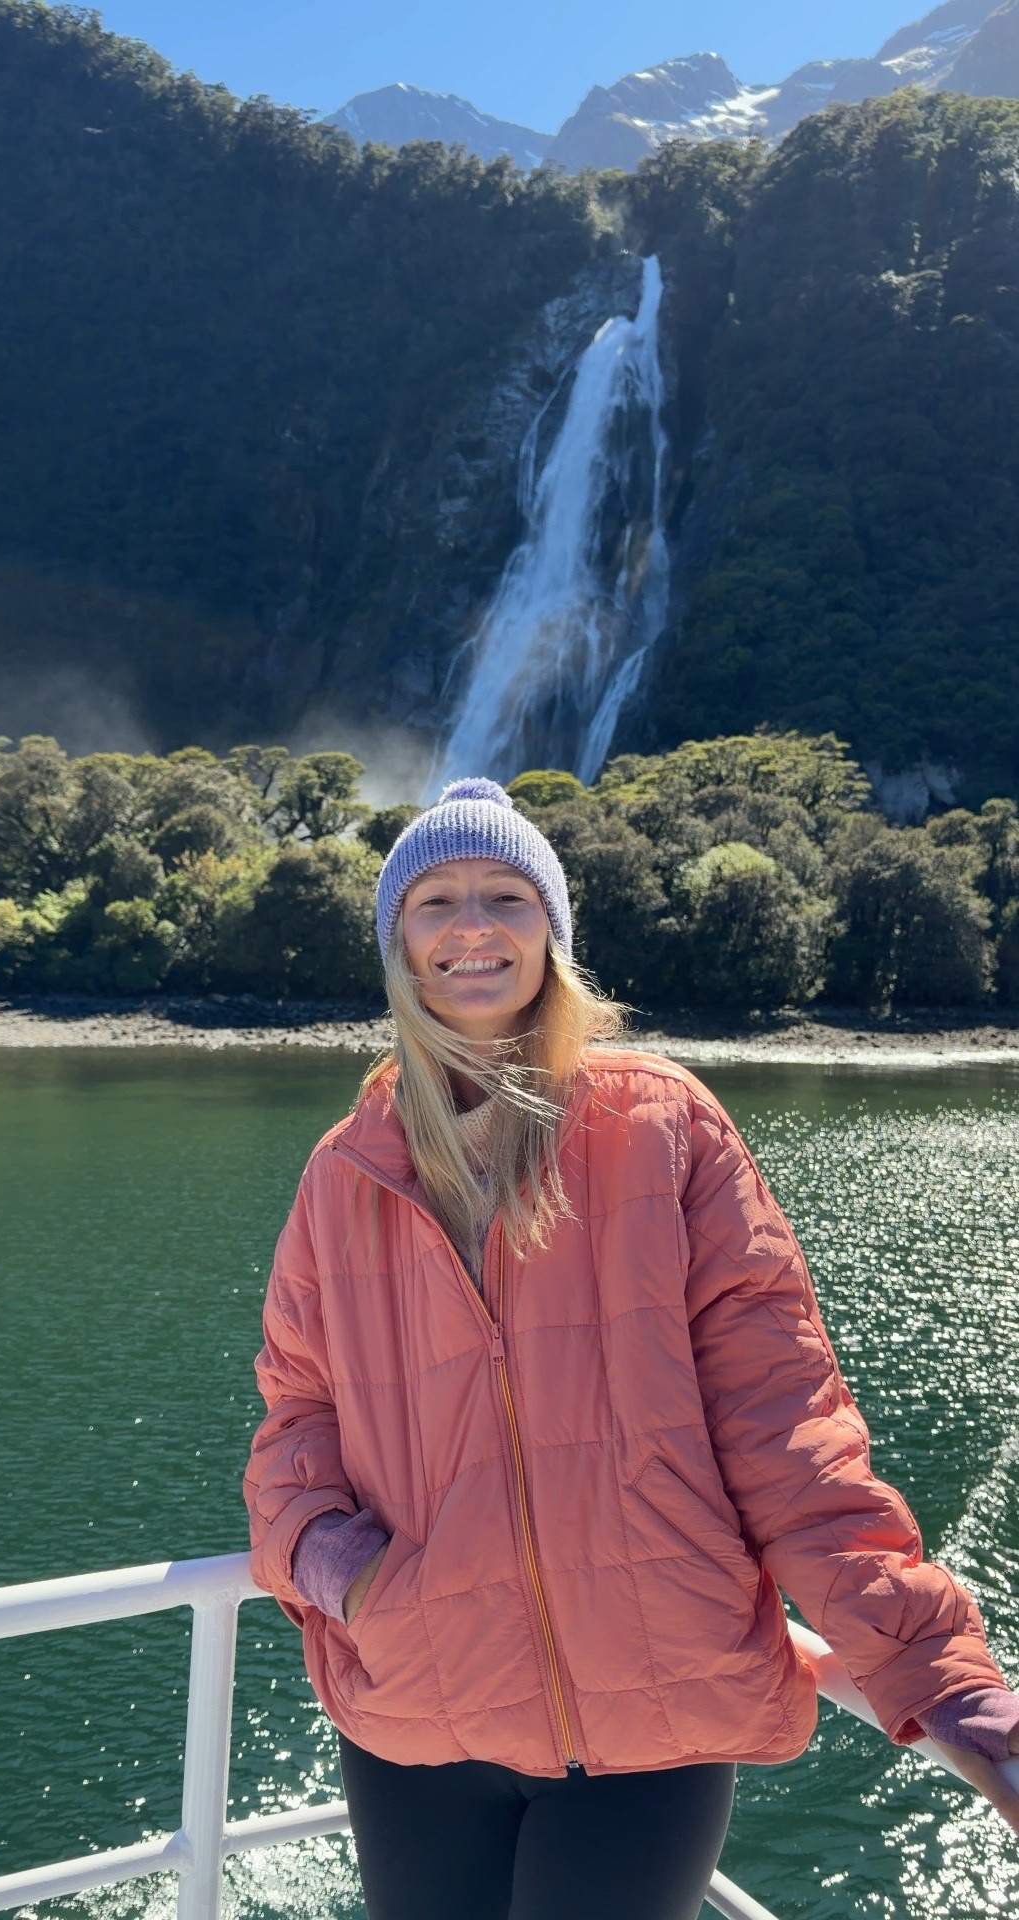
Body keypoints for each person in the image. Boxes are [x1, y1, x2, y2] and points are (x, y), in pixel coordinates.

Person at [244, 776, 1019, 1920]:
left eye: (506, 896)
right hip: (418, 1714)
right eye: (436, 901)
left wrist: (947, 1684)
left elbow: (789, 1432)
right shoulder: (343, 1172)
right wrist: (344, 1574)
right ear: (396, 942)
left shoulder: (662, 1129)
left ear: (551, 931)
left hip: (655, 1721)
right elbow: (296, 1418)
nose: (472, 927)